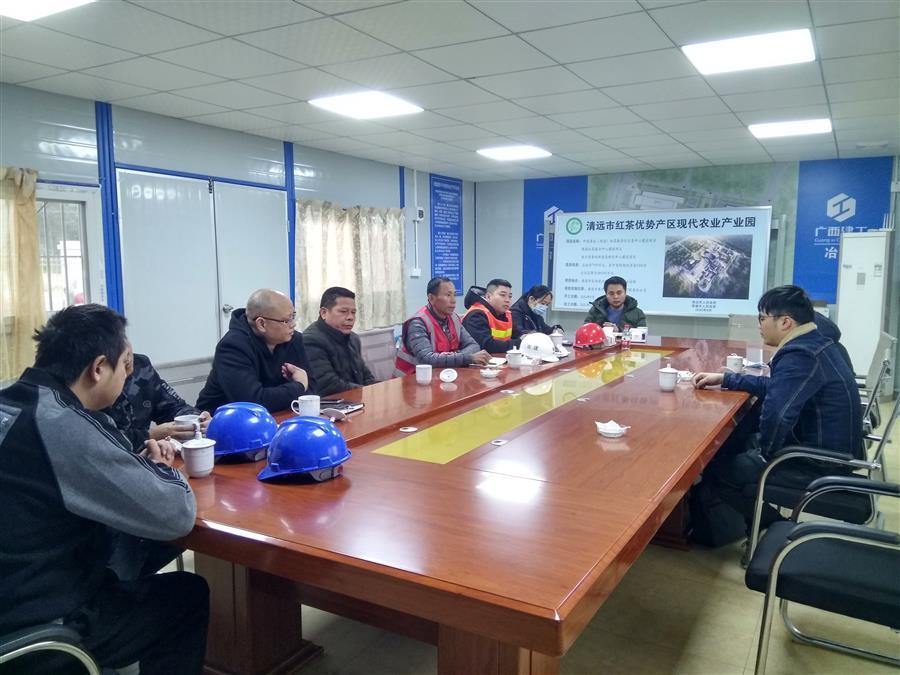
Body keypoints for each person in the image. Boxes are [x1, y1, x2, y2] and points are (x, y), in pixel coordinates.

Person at [0, 304, 209, 674]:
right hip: (41, 623)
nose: (128, 375)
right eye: (124, 366)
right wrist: (161, 471)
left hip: (14, 594)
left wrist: (132, 466)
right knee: (187, 597)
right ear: (98, 368)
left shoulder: (13, 403)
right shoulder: (64, 424)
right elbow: (176, 514)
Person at [692, 285, 862, 532]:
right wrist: (727, 379)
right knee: (734, 443)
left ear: (785, 322)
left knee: (717, 472)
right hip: (827, 448)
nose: (759, 325)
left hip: (817, 461)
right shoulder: (817, 343)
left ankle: (780, 531)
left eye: (762, 318)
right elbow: (778, 386)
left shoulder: (800, 353)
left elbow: (778, 416)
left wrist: (766, 455)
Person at [197, 289, 313, 413]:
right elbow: (254, 402)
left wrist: (298, 387)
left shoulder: (293, 339)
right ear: (261, 324)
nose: (293, 324)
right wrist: (298, 386)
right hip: (220, 420)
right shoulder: (232, 347)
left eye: (293, 316)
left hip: (276, 415)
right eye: (286, 320)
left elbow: (311, 391)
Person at [105, 348, 211, 451]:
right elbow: (105, 443)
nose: (127, 352)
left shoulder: (141, 365)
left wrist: (198, 420)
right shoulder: (99, 382)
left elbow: (173, 407)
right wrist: (151, 435)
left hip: (151, 457)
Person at [394, 276, 490, 375]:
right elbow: (427, 359)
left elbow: (474, 346)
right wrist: (467, 358)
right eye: (448, 295)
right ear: (431, 298)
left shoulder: (454, 318)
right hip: (412, 379)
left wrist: (453, 357)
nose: (453, 300)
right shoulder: (417, 323)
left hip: (442, 376)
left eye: (454, 295)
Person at [303, 287, 378, 397]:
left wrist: (374, 391)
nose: (350, 317)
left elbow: (366, 375)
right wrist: (366, 393)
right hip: (330, 404)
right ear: (324, 313)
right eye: (343, 312)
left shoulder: (353, 338)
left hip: (356, 399)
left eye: (353, 312)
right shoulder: (311, 340)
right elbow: (329, 385)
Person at [462, 279, 522, 353]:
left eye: (510, 296)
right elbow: (487, 346)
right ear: (488, 296)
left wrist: (528, 337)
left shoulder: (506, 314)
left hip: (501, 358)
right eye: (502, 295)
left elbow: (518, 334)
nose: (507, 300)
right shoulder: (476, 315)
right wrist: (520, 343)